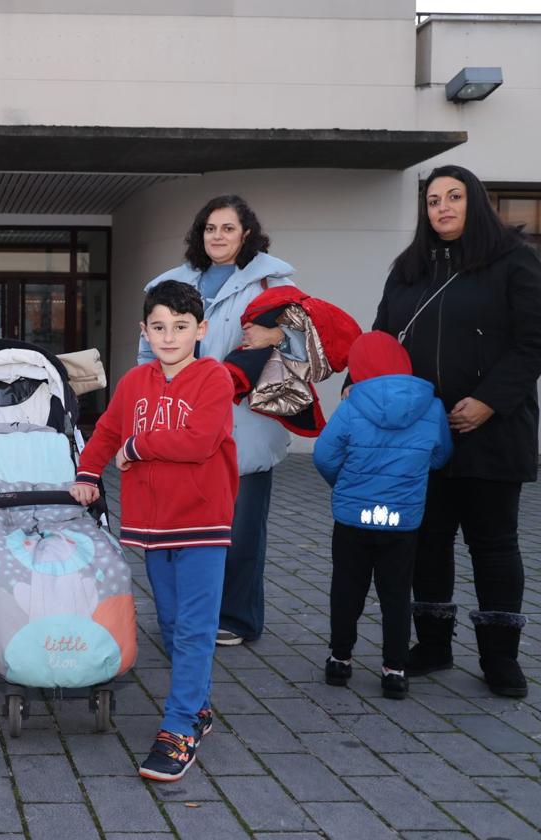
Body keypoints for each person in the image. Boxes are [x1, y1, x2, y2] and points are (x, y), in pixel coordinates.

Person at [368, 164, 541, 697]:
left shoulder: (512, 260)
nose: (442, 207)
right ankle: (433, 646)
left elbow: (537, 339)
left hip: (491, 430)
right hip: (421, 433)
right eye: (432, 200)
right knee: (428, 542)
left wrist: (490, 401)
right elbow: (383, 340)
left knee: (493, 546)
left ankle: (500, 658)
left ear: (475, 201)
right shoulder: (407, 269)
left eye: (453, 196)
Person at [74, 280, 237, 783]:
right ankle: (199, 707)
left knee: (193, 629)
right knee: (170, 625)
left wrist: (137, 447)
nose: (170, 337)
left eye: (181, 327)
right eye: (160, 327)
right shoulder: (134, 382)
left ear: (201, 330)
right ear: (144, 330)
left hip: (203, 522)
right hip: (150, 525)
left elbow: (200, 440)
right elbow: (106, 429)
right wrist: (86, 471)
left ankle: (180, 727)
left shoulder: (215, 378)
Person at [139, 195, 303, 646]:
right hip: (179, 421)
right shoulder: (170, 282)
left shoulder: (273, 282)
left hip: (243, 422)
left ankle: (236, 618)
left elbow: (308, 349)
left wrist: (280, 333)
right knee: (179, 528)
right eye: (211, 228)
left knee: (241, 528)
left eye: (228, 228)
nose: (218, 236)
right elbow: (145, 352)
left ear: (246, 233)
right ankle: (183, 617)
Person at [313, 331, 452, 699]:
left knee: (346, 589)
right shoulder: (432, 406)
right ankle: (395, 669)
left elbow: (324, 456)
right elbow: (440, 455)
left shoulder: (353, 404)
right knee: (396, 594)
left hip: (353, 519)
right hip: (401, 522)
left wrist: (343, 486)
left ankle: (340, 660)